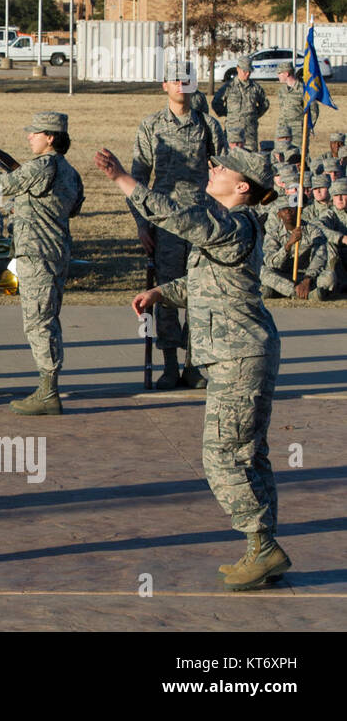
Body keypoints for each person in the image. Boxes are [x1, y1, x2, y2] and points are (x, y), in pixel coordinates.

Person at [96, 145, 289, 591]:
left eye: (222, 167)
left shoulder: (233, 223)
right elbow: (206, 282)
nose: (213, 167)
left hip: (239, 355)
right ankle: (262, 550)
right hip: (241, 353)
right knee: (249, 454)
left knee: (222, 455)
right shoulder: (232, 227)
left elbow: (177, 218)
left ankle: (263, 547)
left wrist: (125, 180)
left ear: (242, 187)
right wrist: (162, 293)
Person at [0, 111, 84, 415]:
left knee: (38, 323)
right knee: (49, 319)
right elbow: (73, 207)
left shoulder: (42, 166)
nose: (29, 136)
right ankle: (49, 387)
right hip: (57, 252)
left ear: (50, 137)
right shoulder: (70, 172)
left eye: (35, 133)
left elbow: (0, 188)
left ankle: (48, 392)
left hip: (36, 254)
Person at [130, 60, 226, 390]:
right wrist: (143, 224)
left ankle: (194, 365)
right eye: (174, 80)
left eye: (186, 80)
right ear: (165, 86)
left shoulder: (208, 126)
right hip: (166, 223)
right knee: (167, 293)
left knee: (201, 291)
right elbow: (138, 179)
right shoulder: (151, 126)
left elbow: (223, 172)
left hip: (202, 221)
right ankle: (170, 364)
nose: (180, 85)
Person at [260, 200, 330, 300]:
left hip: (306, 275)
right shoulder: (273, 234)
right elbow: (271, 263)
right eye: (284, 209)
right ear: (279, 214)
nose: (288, 211)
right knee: (263, 271)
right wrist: (288, 245)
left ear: (299, 211)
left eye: (291, 209)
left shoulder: (314, 231)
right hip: (283, 276)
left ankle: (280, 291)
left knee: (329, 278)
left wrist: (307, 279)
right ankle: (298, 292)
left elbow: (320, 257)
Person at [211, 57, 269, 151]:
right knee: (231, 158)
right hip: (233, 132)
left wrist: (254, 115)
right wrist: (229, 114)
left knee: (251, 158)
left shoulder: (255, 88)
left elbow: (265, 104)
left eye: (249, 71)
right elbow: (216, 103)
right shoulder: (229, 87)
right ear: (238, 69)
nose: (247, 74)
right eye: (244, 71)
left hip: (250, 133)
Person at [275, 60, 318, 136]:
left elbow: (314, 109)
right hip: (283, 129)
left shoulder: (303, 90)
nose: (278, 76)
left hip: (298, 131)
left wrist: (309, 127)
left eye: (280, 73)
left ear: (286, 74)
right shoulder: (282, 91)